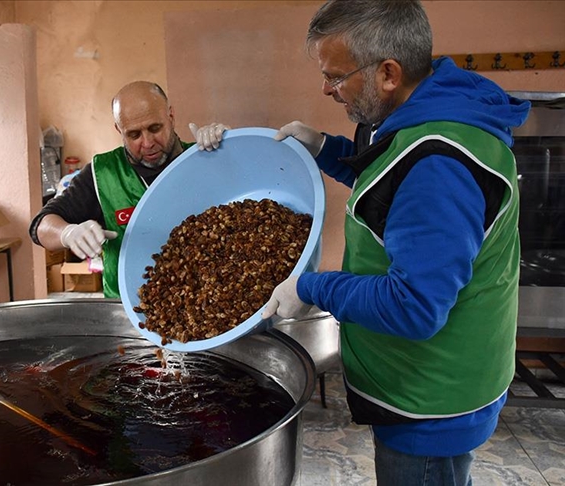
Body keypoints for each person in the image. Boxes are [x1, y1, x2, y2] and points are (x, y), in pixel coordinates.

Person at [198, 1, 529, 484]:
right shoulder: (425, 110)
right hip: (430, 380)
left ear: (388, 73)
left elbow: (414, 306)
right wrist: (328, 150)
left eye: (335, 77)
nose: (326, 89)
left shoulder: (439, 166)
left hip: (431, 401)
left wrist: (310, 288)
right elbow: (392, 187)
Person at [30, 81, 224, 298]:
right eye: (134, 135)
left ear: (171, 116)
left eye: (155, 128)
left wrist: (232, 149)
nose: (148, 142)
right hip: (129, 312)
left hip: (209, 302)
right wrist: (67, 233)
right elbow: (40, 225)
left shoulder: (203, 159)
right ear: (119, 130)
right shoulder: (103, 174)